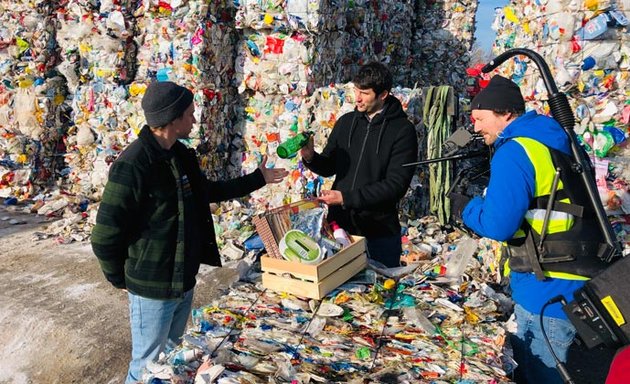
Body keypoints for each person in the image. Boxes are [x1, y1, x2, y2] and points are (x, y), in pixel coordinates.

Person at [91, 81, 288, 383]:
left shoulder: (180, 155)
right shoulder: (133, 164)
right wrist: (121, 279)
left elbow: (206, 191)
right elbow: (105, 234)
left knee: (172, 358)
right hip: (152, 286)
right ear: (172, 118)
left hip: (183, 280)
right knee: (146, 365)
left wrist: (256, 179)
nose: (194, 120)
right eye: (190, 114)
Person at [458, 75, 610, 383]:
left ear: (505, 114)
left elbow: (498, 225)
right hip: (581, 279)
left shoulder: (516, 151)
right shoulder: (560, 141)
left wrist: (466, 208)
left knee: (541, 374)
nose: (475, 128)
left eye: (479, 119)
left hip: (545, 289)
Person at [300, 62, 418, 268]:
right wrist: (310, 157)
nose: (358, 98)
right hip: (340, 230)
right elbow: (329, 166)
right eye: (356, 90)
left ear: (383, 95)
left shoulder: (402, 131)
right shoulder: (347, 122)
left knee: (380, 293)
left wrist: (346, 198)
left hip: (378, 232)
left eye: (364, 93)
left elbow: (395, 186)